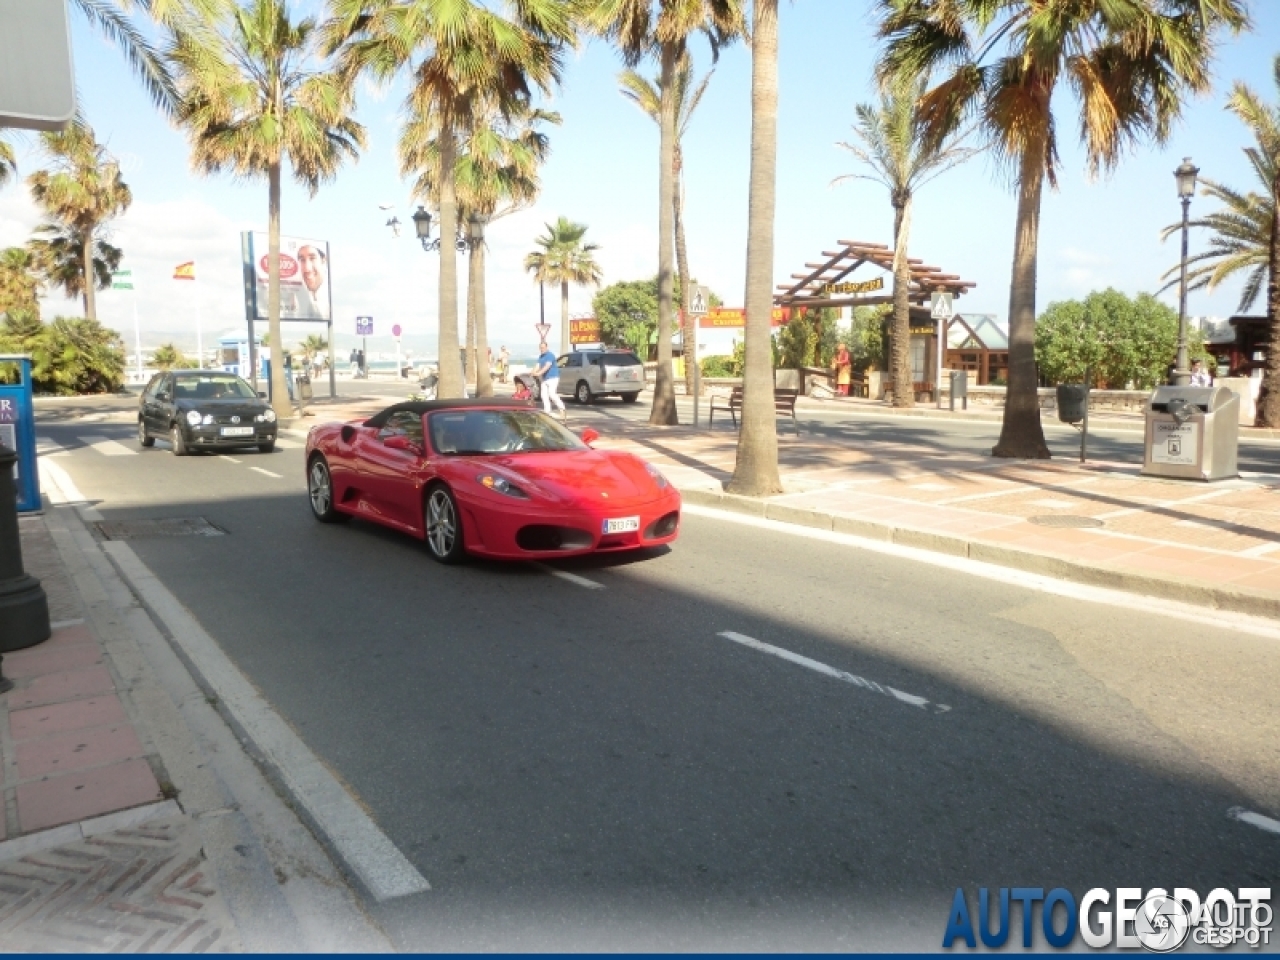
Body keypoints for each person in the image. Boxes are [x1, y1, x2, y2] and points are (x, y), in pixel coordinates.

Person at [531, 341, 566, 420]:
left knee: (552, 394)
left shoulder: (550, 355)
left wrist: (538, 373)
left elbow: (547, 366)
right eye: (540, 348)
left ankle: (562, 409)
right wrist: (532, 372)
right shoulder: (541, 357)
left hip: (553, 377)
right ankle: (547, 411)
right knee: (543, 395)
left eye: (543, 347)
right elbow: (537, 365)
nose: (542, 349)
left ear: (547, 347)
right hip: (545, 379)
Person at [296, 245, 328, 319]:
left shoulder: (330, 297)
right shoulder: (296, 295)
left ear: (323, 261)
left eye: (312, 258)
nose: (307, 268)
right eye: (302, 260)